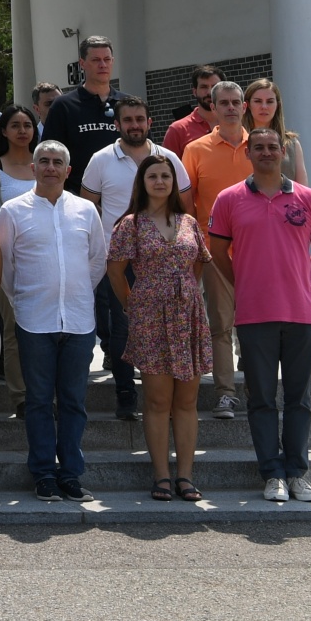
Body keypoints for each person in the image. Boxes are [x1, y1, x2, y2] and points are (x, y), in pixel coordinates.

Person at [209, 126, 311, 503]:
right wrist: (247, 282)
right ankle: (272, 473)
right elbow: (218, 254)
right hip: (253, 315)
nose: (266, 152)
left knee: (299, 398)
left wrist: (297, 279)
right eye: (258, 147)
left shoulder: (309, 198)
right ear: (248, 152)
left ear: (284, 153)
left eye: (272, 147)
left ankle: (297, 472)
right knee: (261, 399)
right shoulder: (229, 200)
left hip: (301, 314)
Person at [0, 141, 107, 501]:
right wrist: (28, 299)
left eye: (58, 162)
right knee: (39, 401)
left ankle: (71, 474)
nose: (50, 167)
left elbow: (97, 260)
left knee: (74, 402)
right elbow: (5, 269)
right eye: (43, 161)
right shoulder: (13, 211)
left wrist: (73, 292)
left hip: (77, 320)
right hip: (34, 321)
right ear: (33, 168)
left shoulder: (86, 210)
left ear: (68, 171)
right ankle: (43, 473)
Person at [107, 152, 213, 503]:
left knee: (187, 400)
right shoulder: (130, 224)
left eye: (165, 176)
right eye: (153, 176)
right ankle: (161, 475)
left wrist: (184, 294)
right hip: (150, 317)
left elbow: (198, 264)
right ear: (142, 183)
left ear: (173, 182)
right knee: (156, 400)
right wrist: (132, 303)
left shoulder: (188, 222)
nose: (160, 182)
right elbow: (115, 271)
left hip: (188, 316)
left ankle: (186, 475)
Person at [78, 95, 186, 422]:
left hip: (163, 262)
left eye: (140, 119)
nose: (135, 125)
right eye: (128, 120)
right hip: (121, 261)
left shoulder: (167, 159)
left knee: (166, 329)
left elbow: (185, 209)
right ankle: (126, 392)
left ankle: (166, 394)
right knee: (123, 327)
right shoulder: (100, 160)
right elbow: (88, 207)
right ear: (118, 124)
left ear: (150, 123)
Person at [181, 80, 251, 420]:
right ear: (213, 106)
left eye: (236, 101)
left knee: (256, 323)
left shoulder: (261, 147)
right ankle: (226, 392)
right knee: (221, 324)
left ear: (245, 106)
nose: (230, 107)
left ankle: (256, 386)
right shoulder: (196, 149)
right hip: (214, 250)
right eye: (223, 102)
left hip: (258, 252)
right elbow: (185, 203)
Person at [0, 102, 40, 416]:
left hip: (44, 260)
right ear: (4, 131)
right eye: (15, 125)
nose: (22, 131)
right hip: (8, 261)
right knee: (14, 329)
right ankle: (21, 396)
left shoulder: (44, 164)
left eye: (27, 125)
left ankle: (45, 393)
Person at [42, 36, 119, 192]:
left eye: (107, 59)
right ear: (82, 63)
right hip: (78, 198)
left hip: (124, 199)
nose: (103, 65)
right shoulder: (63, 106)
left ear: (113, 61)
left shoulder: (127, 105)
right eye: (96, 60)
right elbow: (51, 154)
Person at [243, 77, 311, 186]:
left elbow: (303, 190)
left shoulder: (291, 144)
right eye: (258, 101)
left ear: (277, 105)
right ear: (247, 105)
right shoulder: (239, 141)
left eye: (270, 101)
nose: (264, 107)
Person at [162, 65, 221, 157]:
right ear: (194, 92)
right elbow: (167, 168)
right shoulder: (177, 130)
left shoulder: (236, 124)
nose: (209, 92)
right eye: (203, 87)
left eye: (214, 87)